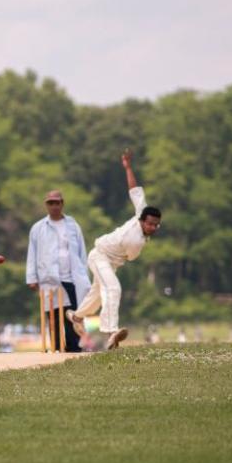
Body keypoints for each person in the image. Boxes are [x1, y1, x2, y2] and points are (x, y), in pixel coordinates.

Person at [66, 149, 162, 349]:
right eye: (149, 224)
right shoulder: (134, 240)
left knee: (97, 296)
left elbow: (134, 190)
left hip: (113, 262)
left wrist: (128, 167)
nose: (152, 227)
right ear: (142, 220)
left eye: (155, 225)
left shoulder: (141, 210)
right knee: (113, 288)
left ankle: (76, 317)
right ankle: (111, 332)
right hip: (100, 256)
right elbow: (131, 256)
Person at [25, 189, 91, 352]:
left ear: (62, 204)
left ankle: (74, 351)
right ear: (46, 205)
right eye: (50, 203)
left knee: (73, 318)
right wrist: (31, 277)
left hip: (71, 279)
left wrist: (84, 277)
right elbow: (32, 253)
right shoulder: (38, 228)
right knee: (53, 318)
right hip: (49, 278)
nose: (54, 206)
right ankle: (55, 350)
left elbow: (82, 252)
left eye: (57, 203)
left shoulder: (73, 226)